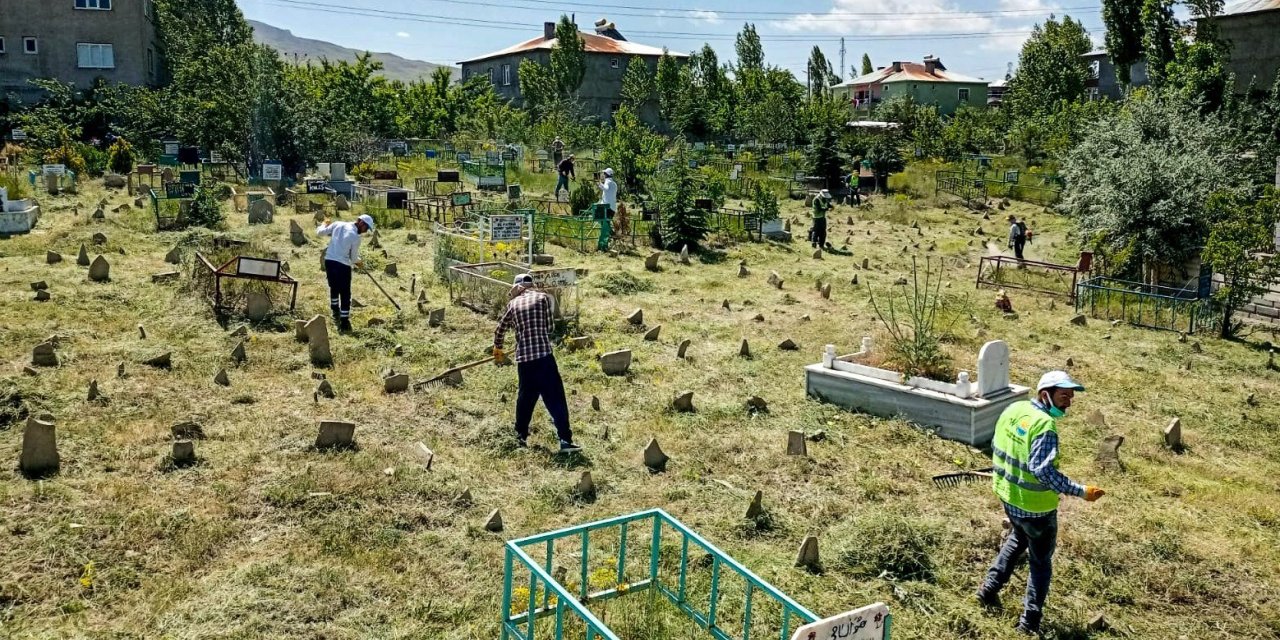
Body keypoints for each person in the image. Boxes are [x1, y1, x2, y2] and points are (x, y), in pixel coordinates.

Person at [977, 370, 1106, 636]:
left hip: (1008, 496)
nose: (1068, 402)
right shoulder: (1045, 427)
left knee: (1017, 539)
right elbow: (1043, 472)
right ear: (1045, 395)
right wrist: (1081, 491)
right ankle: (1030, 622)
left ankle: (987, 590)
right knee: (1040, 562)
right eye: (1063, 396)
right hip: (1036, 508)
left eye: (1071, 397)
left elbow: (998, 444)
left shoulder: (1015, 409)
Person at [494, 274, 581, 453]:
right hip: (544, 358)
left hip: (525, 361)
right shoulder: (542, 298)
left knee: (525, 400)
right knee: (555, 398)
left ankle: (519, 438)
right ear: (530, 286)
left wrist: (498, 349)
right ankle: (565, 440)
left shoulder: (512, 304)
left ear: (517, 288)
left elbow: (500, 329)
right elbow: (549, 327)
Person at [317, 213, 374, 332]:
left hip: (330, 261)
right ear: (361, 222)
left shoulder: (338, 224)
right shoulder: (356, 237)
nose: (365, 231)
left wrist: (323, 224)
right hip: (342, 265)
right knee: (345, 292)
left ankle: (334, 309)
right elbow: (353, 259)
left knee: (334, 286)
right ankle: (344, 320)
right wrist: (359, 262)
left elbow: (320, 233)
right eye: (366, 228)